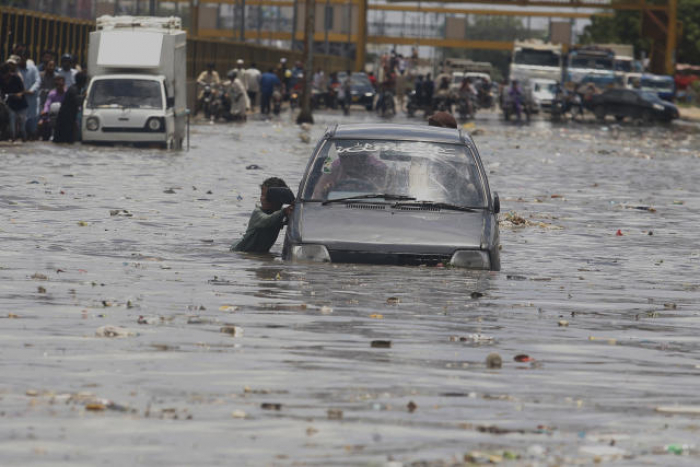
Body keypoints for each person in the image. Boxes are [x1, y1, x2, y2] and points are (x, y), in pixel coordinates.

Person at [230, 177, 294, 253]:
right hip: (239, 250)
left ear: (279, 198)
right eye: (262, 194)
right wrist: (284, 211)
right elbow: (267, 220)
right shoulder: (258, 213)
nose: (263, 198)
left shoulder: (280, 214)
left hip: (259, 252)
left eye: (267, 195)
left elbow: (292, 221)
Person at [53, 71, 86, 144]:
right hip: (65, 120)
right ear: (83, 82)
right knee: (64, 142)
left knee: (67, 142)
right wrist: (85, 96)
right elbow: (78, 101)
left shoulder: (75, 88)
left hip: (69, 119)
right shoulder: (74, 90)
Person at [0, 60, 28, 141]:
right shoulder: (1, 80)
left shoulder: (16, 78)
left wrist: (19, 94)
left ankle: (24, 140)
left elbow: (23, 91)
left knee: (22, 126)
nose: (4, 76)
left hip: (21, 105)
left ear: (9, 72)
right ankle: (13, 139)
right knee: (12, 123)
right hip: (10, 104)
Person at [18, 49, 41, 139]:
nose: (21, 60)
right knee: (21, 121)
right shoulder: (17, 69)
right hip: (20, 98)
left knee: (32, 121)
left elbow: (38, 81)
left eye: (23, 58)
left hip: (32, 99)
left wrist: (31, 90)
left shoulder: (33, 68)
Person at [39, 75, 65, 140]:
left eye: (61, 84)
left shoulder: (67, 93)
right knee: (41, 124)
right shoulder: (52, 94)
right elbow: (47, 104)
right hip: (52, 116)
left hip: (64, 116)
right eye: (57, 85)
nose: (59, 86)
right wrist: (45, 111)